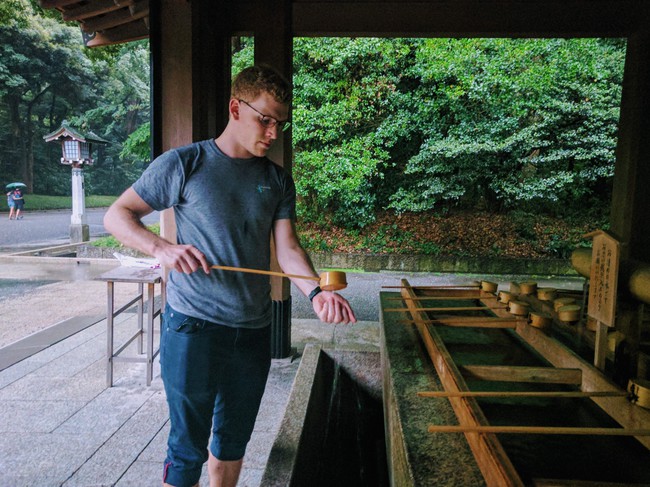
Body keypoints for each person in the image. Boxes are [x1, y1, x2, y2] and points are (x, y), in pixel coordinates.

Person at [104, 64, 356, 487]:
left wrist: (316, 293)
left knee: (233, 441)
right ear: (235, 108)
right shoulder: (186, 163)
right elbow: (117, 214)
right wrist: (162, 248)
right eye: (266, 120)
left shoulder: (277, 180)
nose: (273, 133)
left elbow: (288, 248)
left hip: (253, 329)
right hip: (193, 326)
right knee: (187, 448)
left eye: (280, 124)